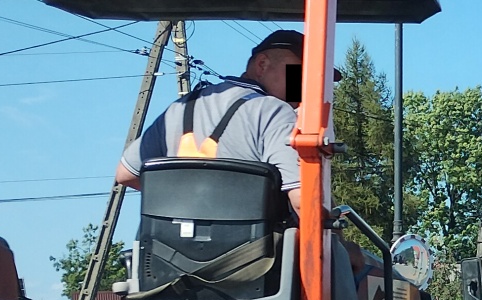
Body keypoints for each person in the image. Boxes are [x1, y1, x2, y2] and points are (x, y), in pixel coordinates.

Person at [116, 30, 340, 215]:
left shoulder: (181, 107)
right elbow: (304, 202)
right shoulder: (276, 111)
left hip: (167, 251)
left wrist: (191, 205)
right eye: (301, 73)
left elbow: (126, 174)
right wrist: (339, 241)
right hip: (252, 254)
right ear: (262, 64)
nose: (306, 86)